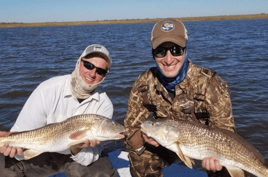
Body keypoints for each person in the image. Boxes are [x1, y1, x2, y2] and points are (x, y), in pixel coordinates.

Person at [124, 18, 236, 177]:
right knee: (139, 153)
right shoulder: (144, 83)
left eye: (176, 50)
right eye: (161, 51)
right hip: (167, 143)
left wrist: (218, 158)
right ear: (153, 54)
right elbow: (129, 131)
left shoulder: (211, 83)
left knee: (226, 166)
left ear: (185, 50)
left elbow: (226, 134)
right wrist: (142, 137)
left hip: (207, 147)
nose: (169, 59)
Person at [0, 44, 118, 177]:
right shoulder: (47, 89)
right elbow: (22, 132)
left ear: (104, 76)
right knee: (3, 166)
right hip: (42, 153)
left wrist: (76, 149)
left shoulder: (104, 104)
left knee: (103, 173)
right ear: (79, 62)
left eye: (100, 71)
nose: (92, 74)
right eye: (88, 65)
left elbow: (91, 156)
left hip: (75, 158)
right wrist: (15, 147)